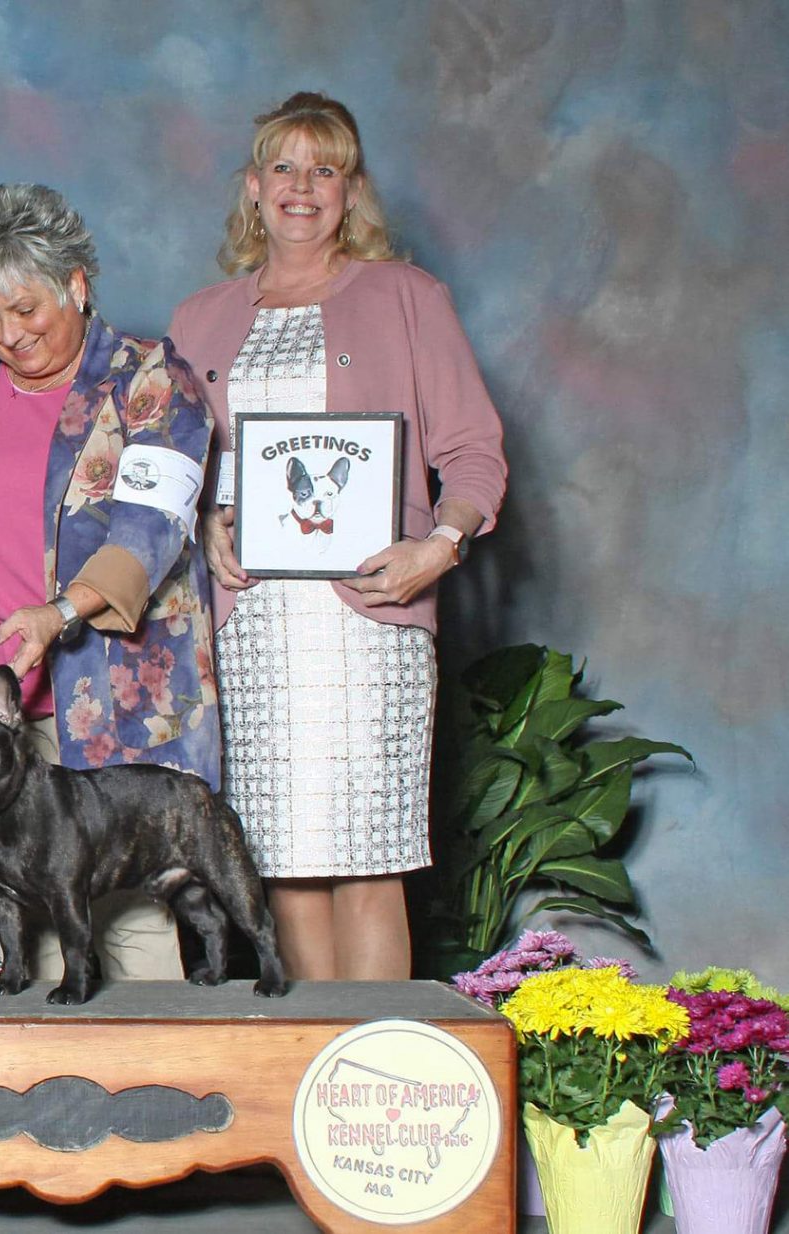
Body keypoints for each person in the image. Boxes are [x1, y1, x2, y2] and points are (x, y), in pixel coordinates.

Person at [168, 93, 507, 981]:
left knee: (366, 859)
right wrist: (203, 527)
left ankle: (376, 1058)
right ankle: (312, 1055)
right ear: (252, 186)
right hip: (252, 625)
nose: (301, 186)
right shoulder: (198, 318)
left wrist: (437, 546)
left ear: (351, 192)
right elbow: (173, 467)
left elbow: (474, 451)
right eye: (282, 167)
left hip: (369, 617)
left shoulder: (407, 296)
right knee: (281, 862)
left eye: (324, 169)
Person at [0, 183, 221, 982]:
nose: (9, 334)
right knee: (24, 935)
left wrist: (59, 612)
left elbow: (152, 525)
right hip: (1, 714)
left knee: (132, 927)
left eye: (26, 309)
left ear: (76, 284)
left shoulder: (147, 379)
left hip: (113, 694)